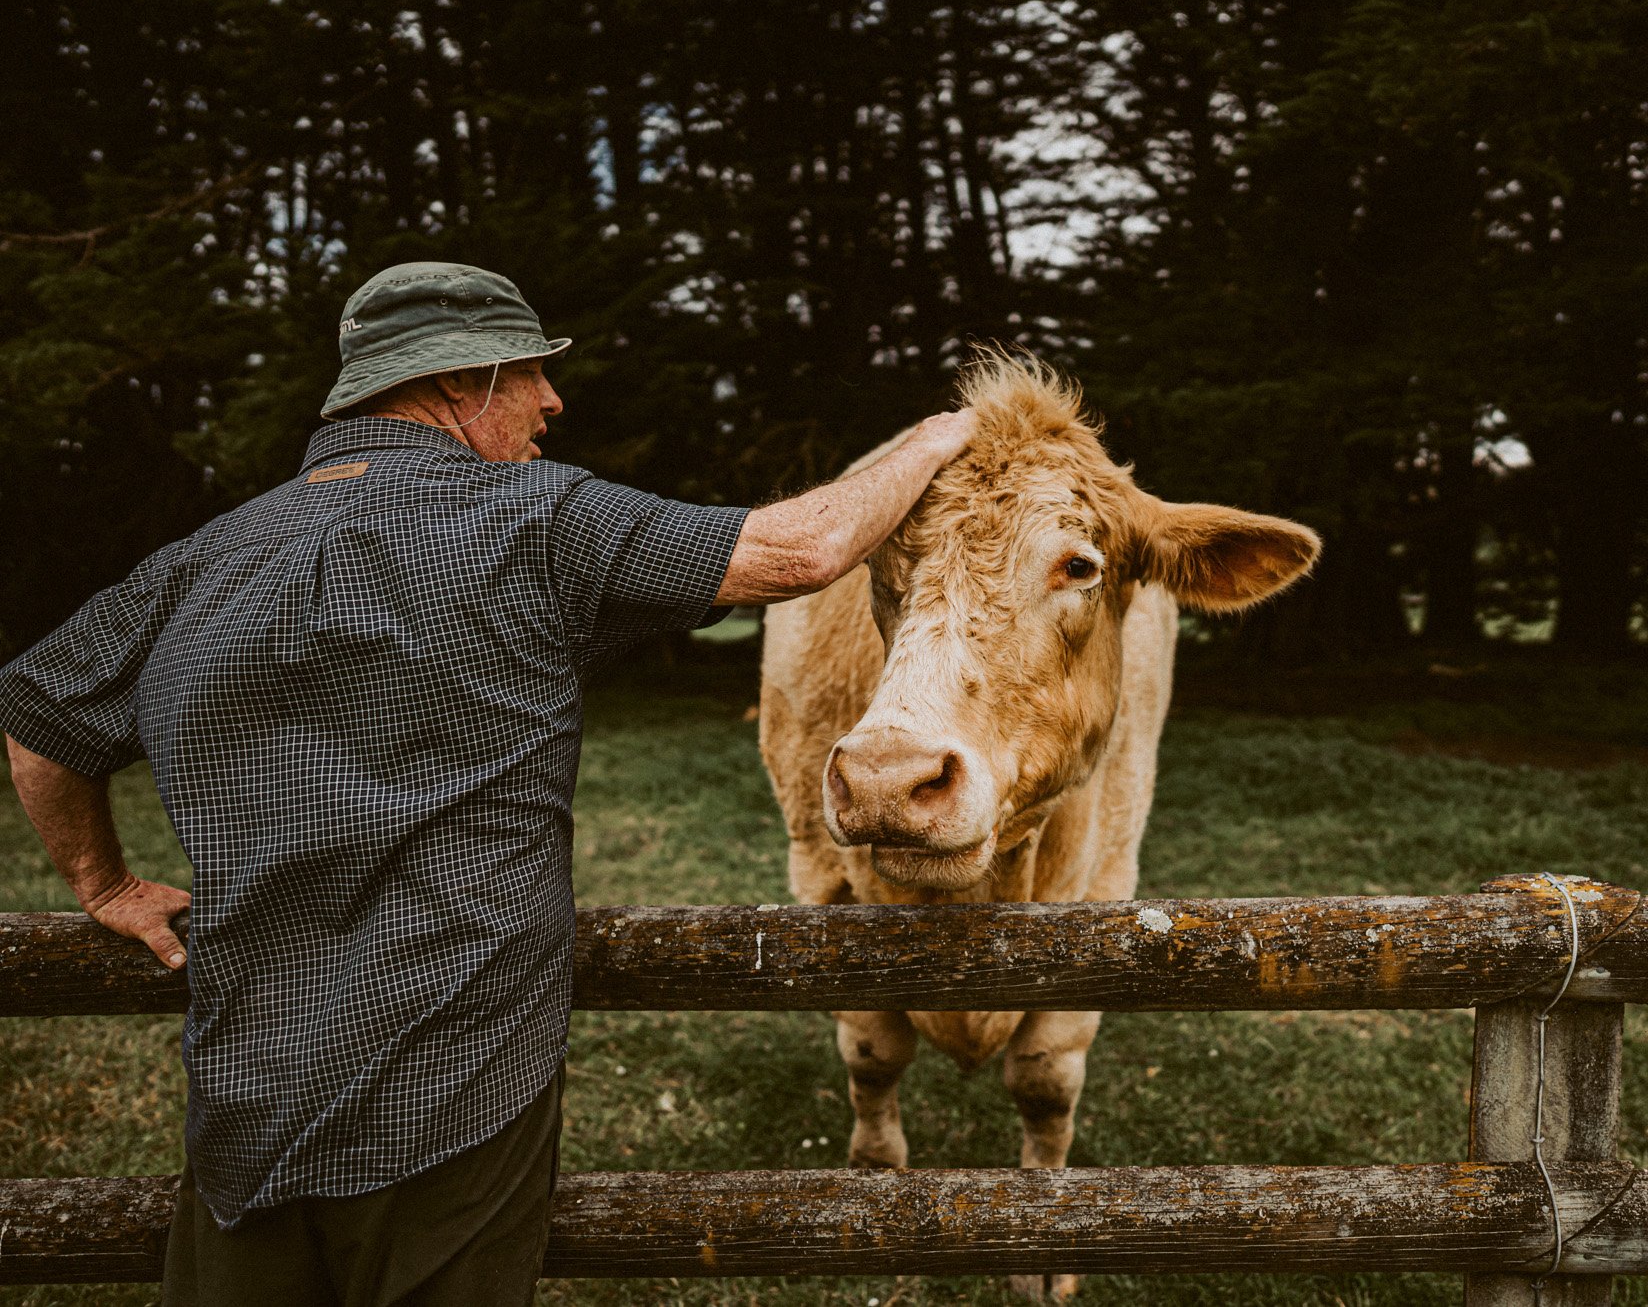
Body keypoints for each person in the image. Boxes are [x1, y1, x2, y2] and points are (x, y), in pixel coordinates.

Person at [0, 261, 975, 1305]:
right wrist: (935, 437)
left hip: (248, 1094)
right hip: (454, 1084)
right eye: (529, 376)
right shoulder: (539, 519)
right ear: (459, 385)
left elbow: (36, 724)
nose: (553, 402)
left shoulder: (197, 561)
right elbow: (803, 550)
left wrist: (103, 886)